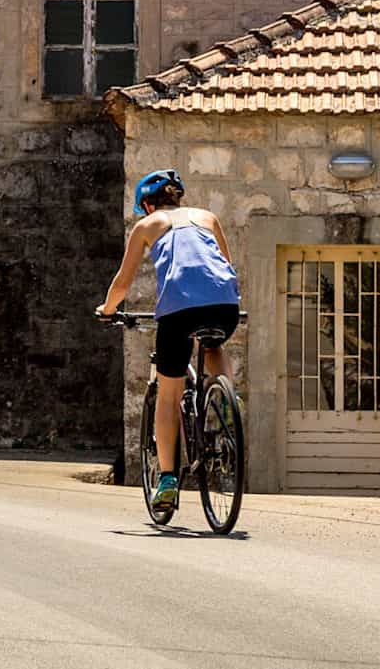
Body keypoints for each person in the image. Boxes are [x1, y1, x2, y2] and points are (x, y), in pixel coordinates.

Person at [96, 169, 241, 509]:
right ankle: (227, 403)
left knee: (168, 395)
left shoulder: (147, 225)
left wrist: (107, 309)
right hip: (224, 306)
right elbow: (224, 265)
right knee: (213, 344)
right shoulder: (207, 217)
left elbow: (123, 282)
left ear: (147, 204)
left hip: (178, 313)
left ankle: (167, 480)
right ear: (178, 197)